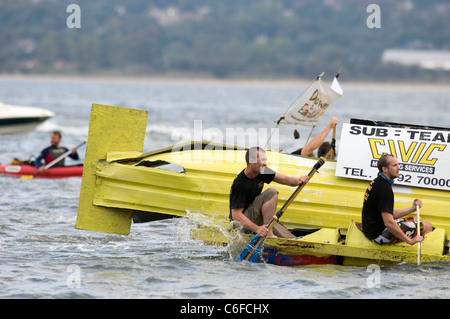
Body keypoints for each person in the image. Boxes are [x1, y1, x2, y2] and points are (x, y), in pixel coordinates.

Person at [229, 147, 309, 238]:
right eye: (262, 160)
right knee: (271, 192)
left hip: (255, 217)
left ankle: (290, 240)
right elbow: (235, 215)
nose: (265, 163)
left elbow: (285, 179)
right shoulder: (240, 183)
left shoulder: (262, 170)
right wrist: (257, 229)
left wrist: (299, 180)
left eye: (265, 160)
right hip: (241, 226)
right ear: (251, 161)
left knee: (289, 237)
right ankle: (269, 235)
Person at [361, 154, 433, 245]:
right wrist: (410, 241)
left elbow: (389, 213)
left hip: (373, 230)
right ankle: (420, 256)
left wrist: (412, 208)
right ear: (385, 169)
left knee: (417, 218)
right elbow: (389, 223)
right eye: (394, 165)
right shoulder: (384, 189)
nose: (398, 168)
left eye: (398, 165)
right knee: (427, 226)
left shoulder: (378, 181)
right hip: (378, 235)